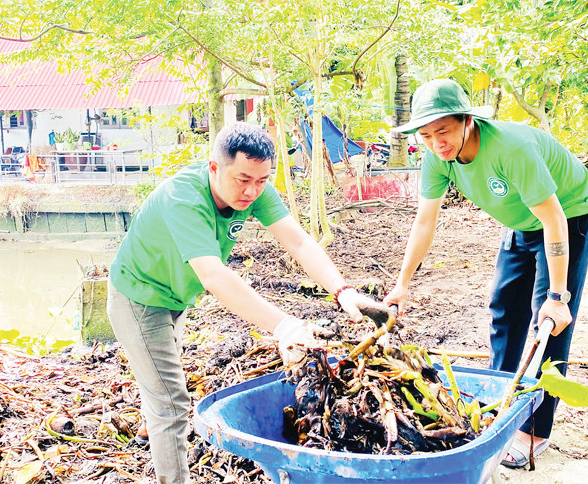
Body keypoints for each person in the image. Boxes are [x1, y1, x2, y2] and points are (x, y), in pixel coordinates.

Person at [107, 121, 389, 484]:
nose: (252, 191)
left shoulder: (256, 188)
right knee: (173, 406)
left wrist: (343, 291)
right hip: (140, 298)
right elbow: (214, 276)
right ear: (214, 167)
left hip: (176, 297)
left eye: (261, 180)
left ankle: (153, 421)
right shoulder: (184, 199)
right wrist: (285, 325)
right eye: (243, 180)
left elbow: (299, 242)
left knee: (161, 384)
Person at [383, 79, 588, 468]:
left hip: (568, 212)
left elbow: (552, 219)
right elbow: (424, 222)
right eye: (426, 135)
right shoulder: (437, 156)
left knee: (547, 323)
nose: (436, 143)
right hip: (523, 219)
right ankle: (498, 403)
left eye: (444, 131)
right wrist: (402, 284)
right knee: (503, 307)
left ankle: (535, 431)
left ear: (468, 121)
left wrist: (557, 296)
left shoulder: (510, 148)